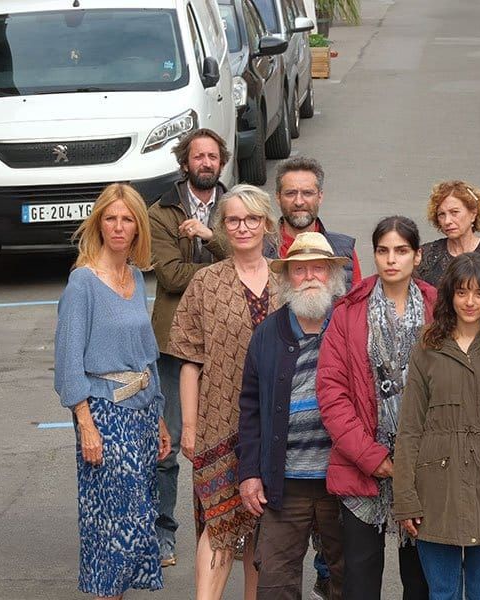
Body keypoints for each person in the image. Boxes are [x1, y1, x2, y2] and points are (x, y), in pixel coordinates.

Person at [55, 183, 171, 599]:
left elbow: (145, 354)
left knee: (138, 521)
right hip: (104, 415)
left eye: (127, 219)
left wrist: (158, 416)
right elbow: (69, 364)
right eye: (111, 218)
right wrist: (86, 425)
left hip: (141, 415)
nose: (119, 227)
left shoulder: (135, 277)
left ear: (138, 227)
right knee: (112, 530)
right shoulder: (82, 284)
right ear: (98, 224)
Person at [393, 253, 480, 600]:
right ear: (450, 296)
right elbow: (410, 428)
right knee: (442, 593)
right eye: (462, 292)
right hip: (436, 490)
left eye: (479, 293)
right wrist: (406, 499)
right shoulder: (427, 347)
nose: (470, 302)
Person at [169, 184, 282, 600]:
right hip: (219, 423)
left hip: (277, 426)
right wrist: (191, 425)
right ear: (222, 225)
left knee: (263, 528)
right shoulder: (205, 282)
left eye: (252, 218)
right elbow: (189, 359)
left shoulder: (287, 278)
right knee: (219, 523)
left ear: (267, 224)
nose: (243, 227)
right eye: (233, 219)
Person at [317, 216, 437, 600]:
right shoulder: (348, 311)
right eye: (383, 251)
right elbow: (332, 392)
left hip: (423, 469)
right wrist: (372, 457)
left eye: (401, 251)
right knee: (360, 580)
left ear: (417, 256)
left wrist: (417, 460)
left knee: (419, 582)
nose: (391, 259)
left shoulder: (440, 307)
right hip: (362, 469)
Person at [236, 231, 351, 600]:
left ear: (332, 275)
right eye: (299, 271)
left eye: (318, 268)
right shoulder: (267, 333)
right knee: (275, 583)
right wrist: (250, 473)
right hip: (284, 483)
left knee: (349, 579)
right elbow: (250, 409)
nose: (310, 277)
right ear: (287, 279)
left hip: (344, 480)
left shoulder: (351, 325)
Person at [147, 127, 231, 567]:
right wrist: (227, 263)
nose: (205, 162)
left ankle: (221, 530)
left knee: (227, 442)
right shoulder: (161, 210)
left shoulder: (237, 205)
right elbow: (171, 276)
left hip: (228, 342)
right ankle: (162, 534)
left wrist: (210, 236)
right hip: (173, 343)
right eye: (198, 156)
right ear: (185, 163)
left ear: (222, 162)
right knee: (169, 445)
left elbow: (255, 259)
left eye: (213, 156)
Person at [273, 156, 361, 286]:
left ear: (320, 196)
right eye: (290, 193)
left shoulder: (344, 250)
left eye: (307, 193)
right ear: (278, 197)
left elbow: (357, 303)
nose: (299, 202)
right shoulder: (260, 250)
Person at [416, 180, 480, 286]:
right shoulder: (426, 256)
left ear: (473, 214)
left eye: (454, 212)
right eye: (441, 214)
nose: (447, 221)